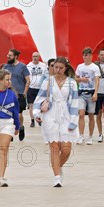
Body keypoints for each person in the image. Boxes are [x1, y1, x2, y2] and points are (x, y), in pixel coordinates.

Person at [33, 56, 79, 187]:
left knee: (66, 149)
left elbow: (75, 102)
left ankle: (58, 167)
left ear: (66, 68)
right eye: (55, 67)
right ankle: (57, 177)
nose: (58, 70)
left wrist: (73, 121)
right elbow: (39, 98)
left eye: (61, 68)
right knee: (54, 146)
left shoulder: (72, 83)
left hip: (66, 115)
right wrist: (37, 113)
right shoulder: (47, 82)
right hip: (50, 115)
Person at [75, 47, 101, 145]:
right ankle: (81, 135)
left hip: (91, 92)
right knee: (81, 114)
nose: (84, 57)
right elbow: (75, 78)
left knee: (91, 115)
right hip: (81, 92)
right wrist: (82, 79)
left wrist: (96, 93)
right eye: (83, 55)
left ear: (91, 56)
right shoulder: (79, 66)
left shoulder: (95, 67)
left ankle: (90, 136)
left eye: (86, 55)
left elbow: (97, 80)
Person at [3, 49, 30, 141]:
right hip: (8, 94)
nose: (8, 56)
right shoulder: (5, 67)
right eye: (8, 55)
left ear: (15, 56)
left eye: (10, 55)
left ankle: (21, 127)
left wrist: (25, 92)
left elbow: (28, 80)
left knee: (18, 114)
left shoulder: (22, 67)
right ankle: (10, 132)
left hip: (20, 94)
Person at [27, 52, 47, 128]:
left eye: (36, 56)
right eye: (33, 56)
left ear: (39, 57)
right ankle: (32, 120)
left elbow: (46, 75)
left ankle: (39, 119)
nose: (35, 58)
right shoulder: (29, 66)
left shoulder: (43, 65)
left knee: (40, 105)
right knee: (31, 105)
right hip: (31, 87)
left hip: (40, 88)